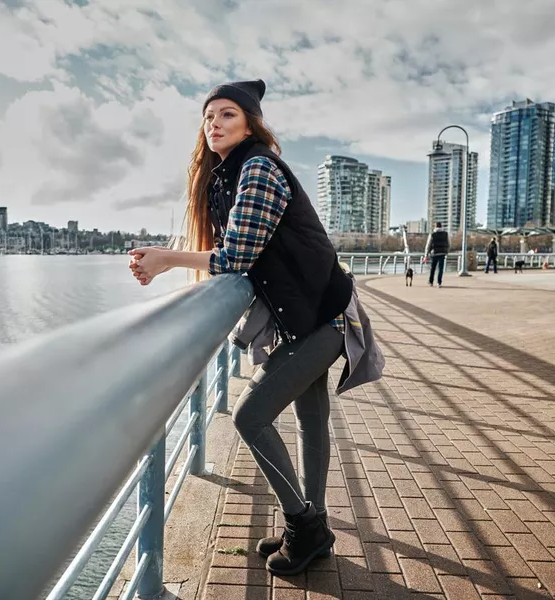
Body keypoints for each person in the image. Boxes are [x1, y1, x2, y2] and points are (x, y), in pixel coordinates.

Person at [128, 79, 383, 576]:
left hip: (326, 317)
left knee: (249, 417)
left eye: (226, 115)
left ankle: (304, 527)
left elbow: (238, 255)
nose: (214, 124)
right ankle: (316, 529)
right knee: (310, 420)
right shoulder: (227, 176)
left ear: (250, 123)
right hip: (305, 316)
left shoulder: (260, 167)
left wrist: (163, 259)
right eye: (208, 117)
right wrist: (163, 257)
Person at [424, 221, 449, 287]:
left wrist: (426, 255)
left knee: (433, 268)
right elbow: (448, 244)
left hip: (434, 253)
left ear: (435, 226)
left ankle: (431, 281)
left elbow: (428, 245)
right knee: (441, 269)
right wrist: (446, 251)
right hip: (442, 253)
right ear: (441, 226)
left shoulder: (432, 234)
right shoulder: (445, 234)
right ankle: (439, 282)